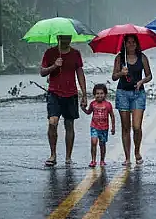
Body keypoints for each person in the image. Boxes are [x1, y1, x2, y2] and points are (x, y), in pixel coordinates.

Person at [39, 34, 87, 167]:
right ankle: (53, 154)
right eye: (63, 38)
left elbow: (80, 73)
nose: (66, 41)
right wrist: (54, 66)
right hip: (54, 93)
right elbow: (42, 72)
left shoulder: (75, 54)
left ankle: (68, 157)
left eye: (68, 38)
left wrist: (84, 94)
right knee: (52, 122)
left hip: (71, 94)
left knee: (69, 125)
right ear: (58, 38)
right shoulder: (50, 53)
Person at [112, 34, 152, 165]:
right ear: (124, 44)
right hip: (122, 93)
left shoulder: (142, 57)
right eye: (128, 42)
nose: (131, 44)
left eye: (133, 42)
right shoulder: (120, 58)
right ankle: (127, 157)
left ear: (137, 44)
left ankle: (137, 151)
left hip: (138, 93)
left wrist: (141, 81)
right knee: (125, 127)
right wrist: (121, 73)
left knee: (136, 126)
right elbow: (114, 77)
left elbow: (149, 75)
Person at [83, 83, 115, 167]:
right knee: (93, 142)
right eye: (97, 93)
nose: (99, 95)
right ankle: (93, 160)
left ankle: (102, 160)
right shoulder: (93, 104)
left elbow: (112, 116)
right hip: (94, 127)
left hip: (104, 128)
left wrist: (113, 127)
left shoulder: (108, 105)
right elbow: (88, 112)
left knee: (102, 144)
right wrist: (83, 108)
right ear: (94, 95)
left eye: (101, 93)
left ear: (105, 94)